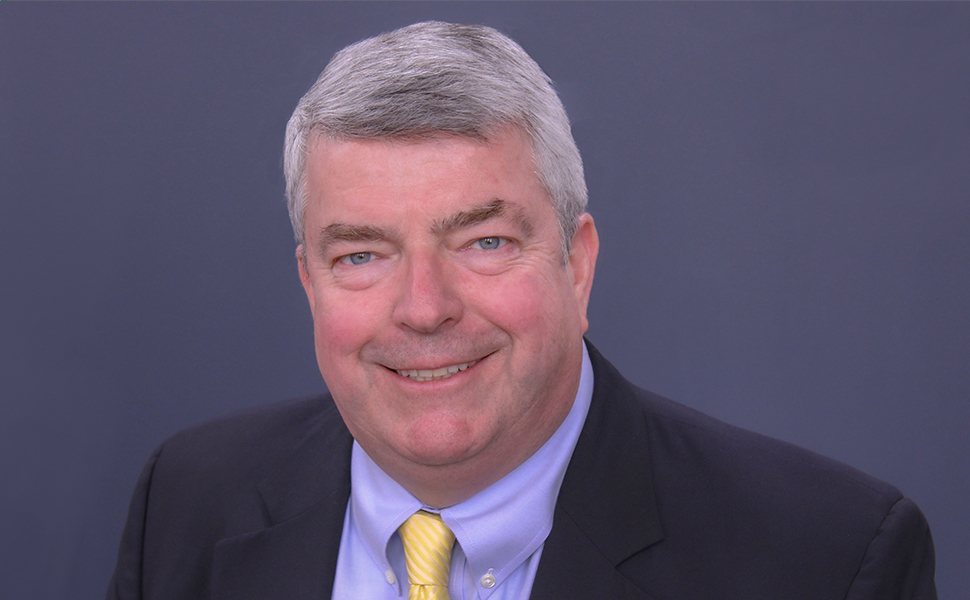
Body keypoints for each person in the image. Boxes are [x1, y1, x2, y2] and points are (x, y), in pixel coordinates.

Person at [107, 21, 936, 600]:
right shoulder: (187, 505)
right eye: (361, 254)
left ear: (578, 264)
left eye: (485, 242)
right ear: (309, 283)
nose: (423, 309)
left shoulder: (825, 562)